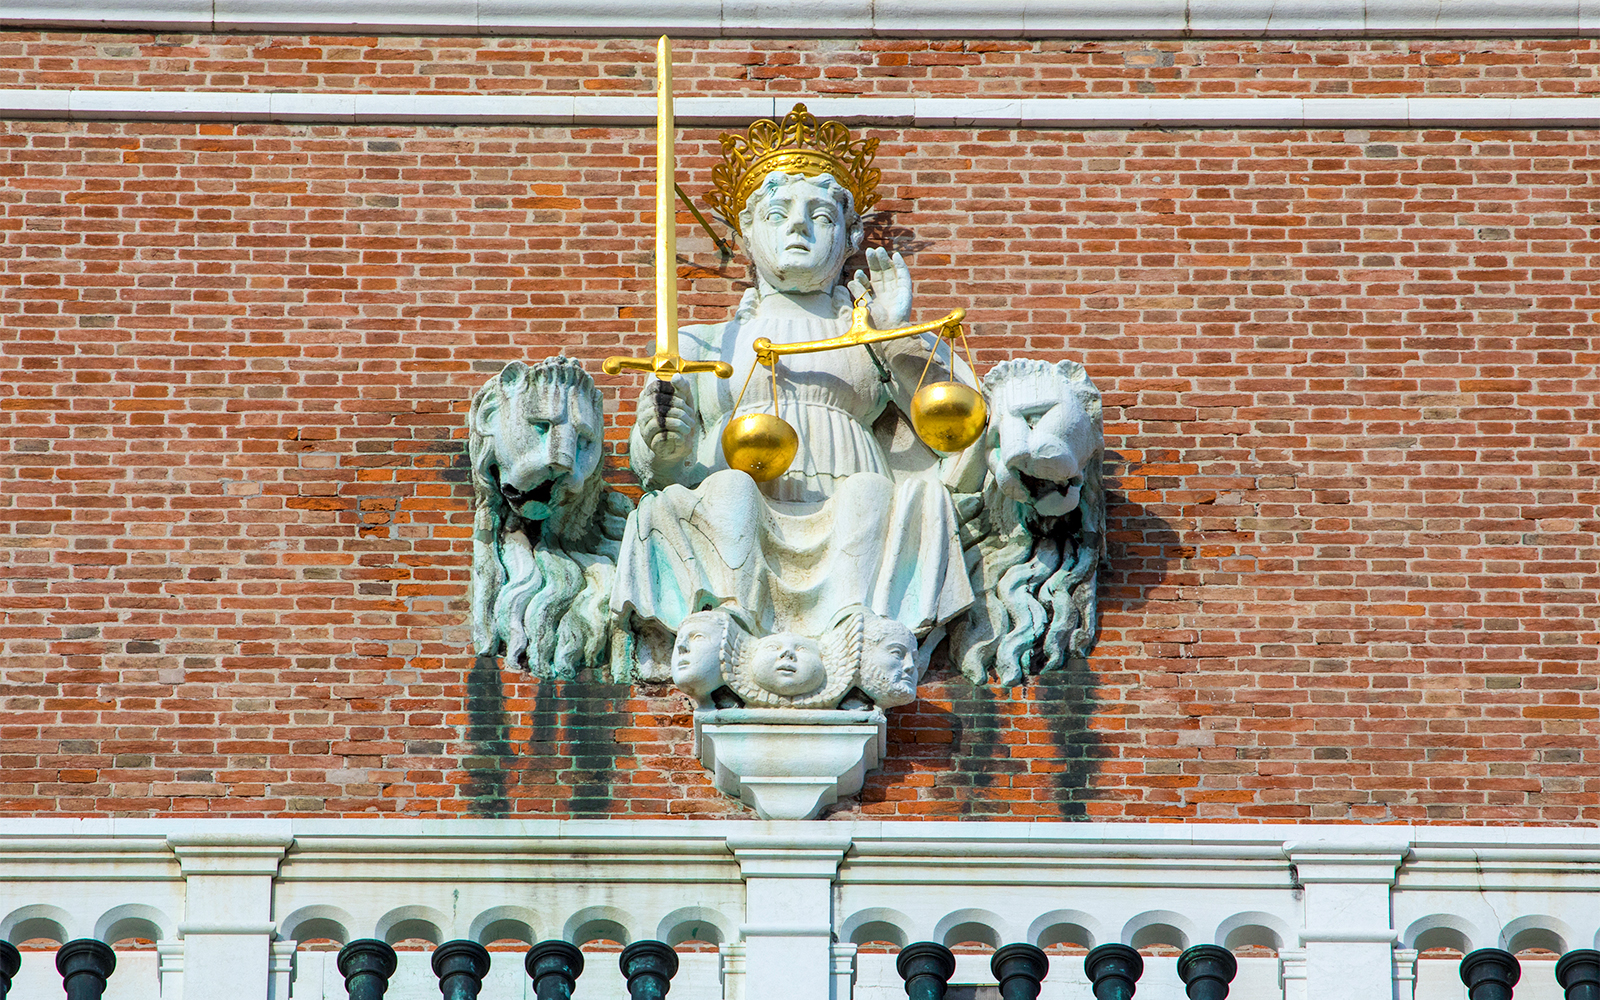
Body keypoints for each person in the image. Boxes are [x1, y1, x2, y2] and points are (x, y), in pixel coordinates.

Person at [612, 109, 976, 680]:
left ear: (851, 236)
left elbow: (949, 423)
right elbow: (661, 463)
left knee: (866, 495)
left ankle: (855, 625)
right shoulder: (703, 342)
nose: (798, 229)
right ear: (744, 233)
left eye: (821, 216)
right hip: (740, 482)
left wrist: (893, 333)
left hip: (849, 482)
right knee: (729, 489)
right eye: (777, 214)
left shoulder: (869, 328)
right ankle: (733, 619)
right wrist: (664, 440)